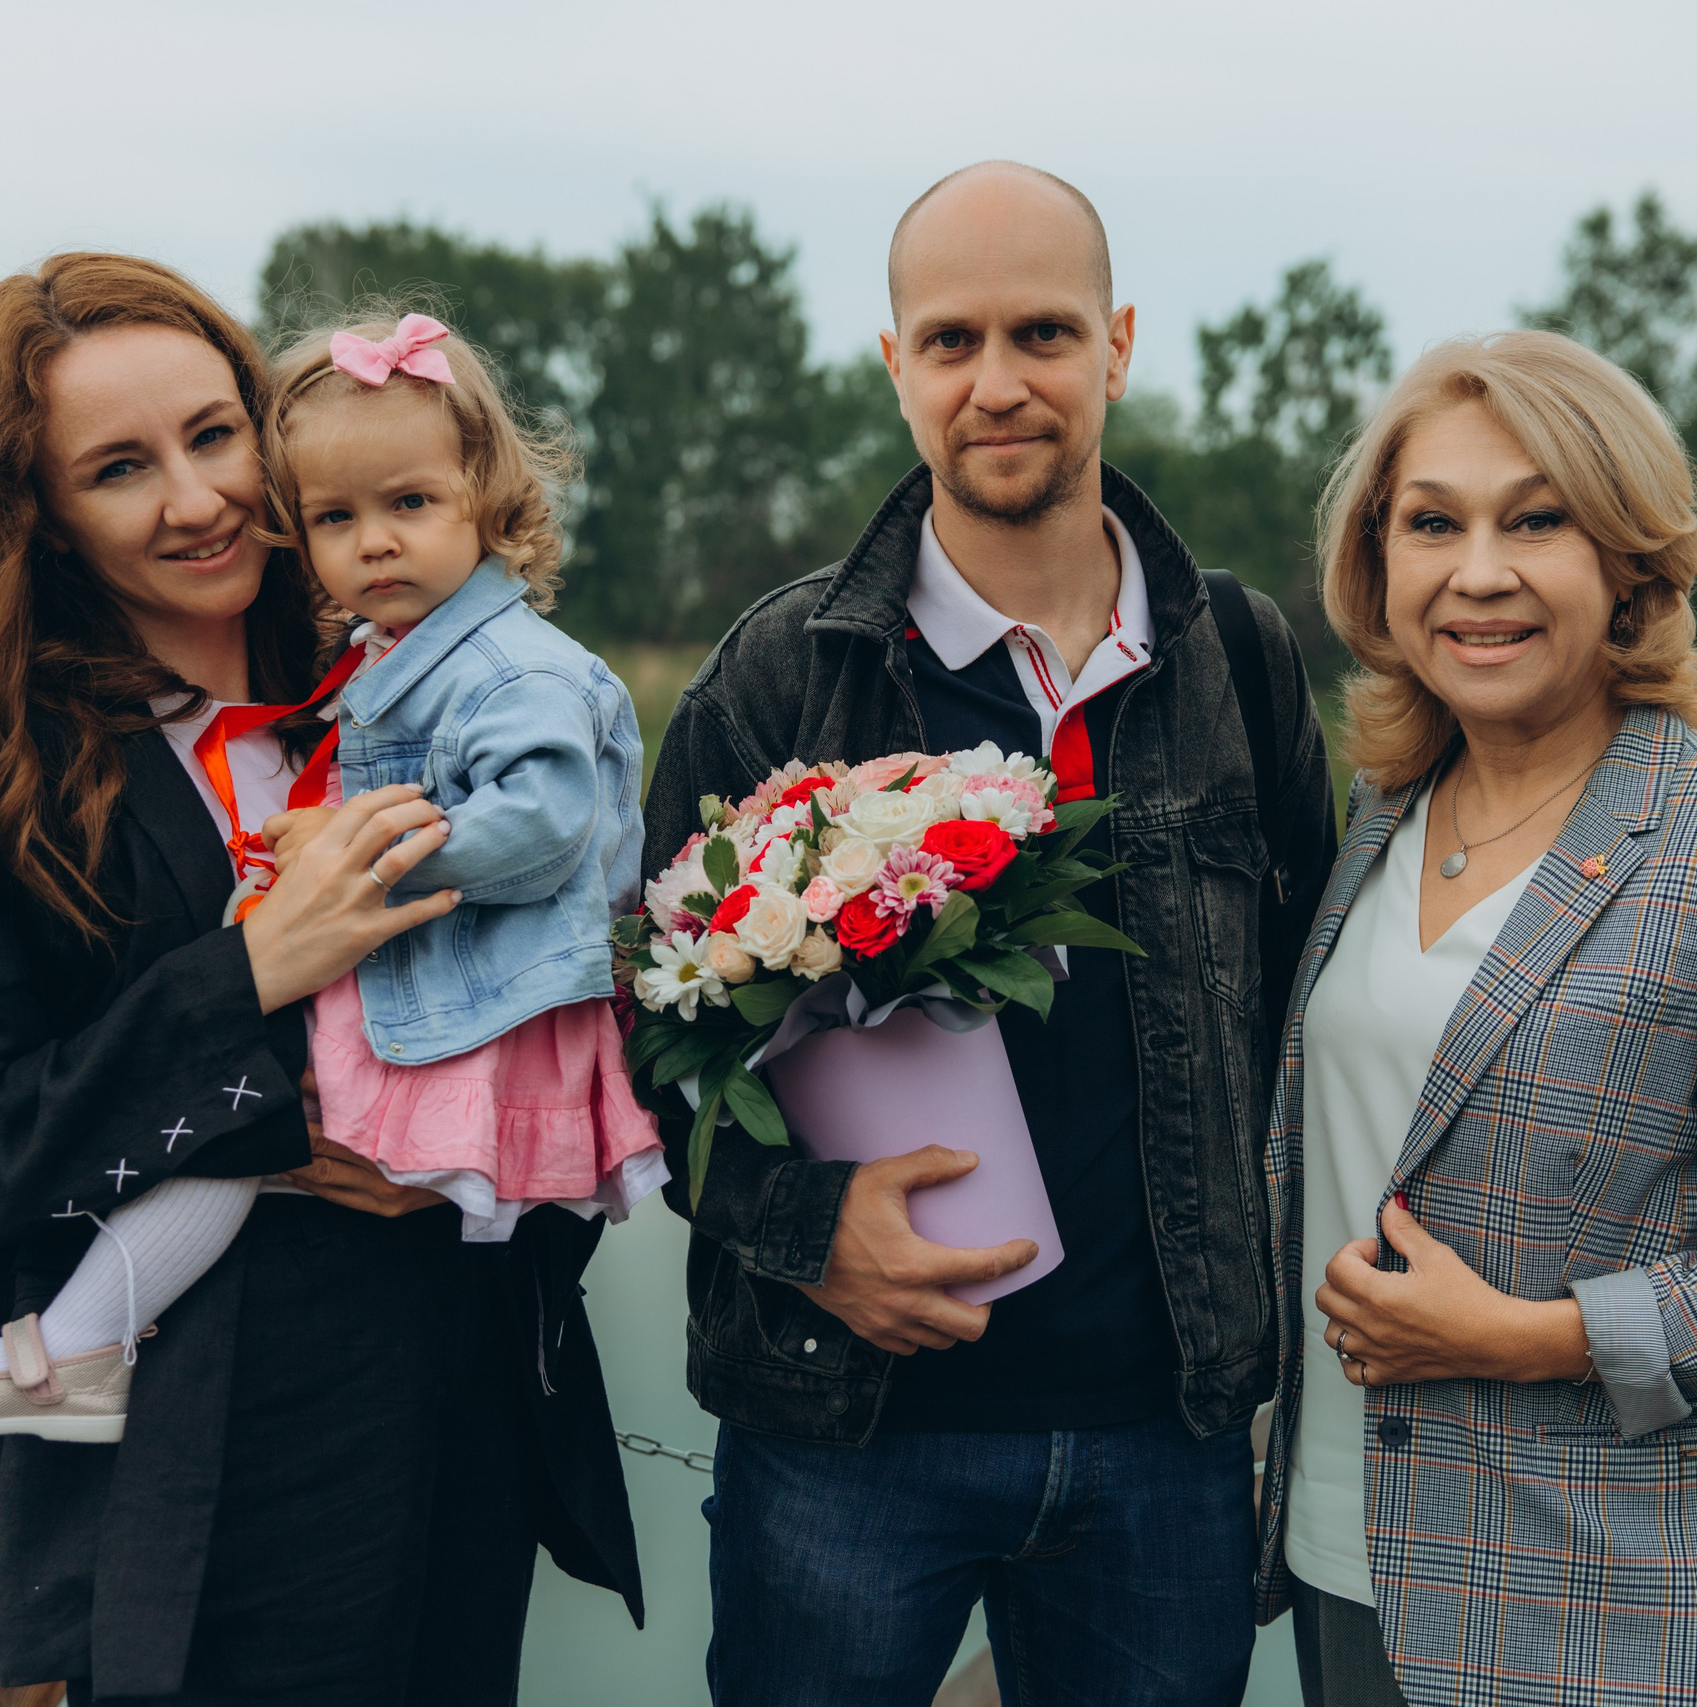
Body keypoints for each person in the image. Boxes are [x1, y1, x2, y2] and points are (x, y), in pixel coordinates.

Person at [0, 255, 640, 1705]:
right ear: (39, 511)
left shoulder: (408, 671)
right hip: (192, 1484)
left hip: (456, 1413)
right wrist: (249, 974)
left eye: (216, 437)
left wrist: (468, 1172)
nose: (199, 498)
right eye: (119, 469)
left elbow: (572, 969)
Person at [641, 161, 1340, 1707]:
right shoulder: (781, 673)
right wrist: (806, 1230)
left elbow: (1311, 1005)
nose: (999, 382)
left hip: (1168, 1438)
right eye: (953, 341)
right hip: (845, 1434)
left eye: (1044, 333)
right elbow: (640, 1041)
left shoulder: (1240, 658)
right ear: (897, 366)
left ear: (1118, 345)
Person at [1256, 330, 1697, 1706]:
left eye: (1536, 520)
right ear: (1378, 562)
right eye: (1433, 523)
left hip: (1614, 1611)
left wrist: (1522, 1336)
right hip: (1348, 1555)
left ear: (1628, 562)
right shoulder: (1379, 813)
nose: (1479, 571)